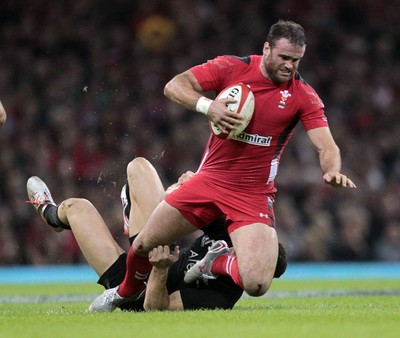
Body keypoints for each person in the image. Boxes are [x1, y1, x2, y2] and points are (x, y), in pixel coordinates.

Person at [89, 19, 356, 312]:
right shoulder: (232, 68)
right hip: (208, 181)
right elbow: (174, 85)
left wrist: (331, 169)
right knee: (143, 246)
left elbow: (327, 145)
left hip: (252, 194)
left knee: (257, 283)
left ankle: (215, 262)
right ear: (266, 49)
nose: (290, 66)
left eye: (296, 60)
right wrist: (208, 106)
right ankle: (121, 293)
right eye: (284, 58)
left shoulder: (302, 95)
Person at [26, 157, 287, 311]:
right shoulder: (231, 233)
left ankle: (50, 212)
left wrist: (161, 270)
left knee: (76, 207)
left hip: (139, 293)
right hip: (156, 247)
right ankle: (55, 217)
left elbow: (156, 307)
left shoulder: (221, 296)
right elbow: (188, 202)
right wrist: (192, 183)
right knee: (139, 166)